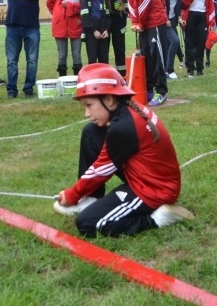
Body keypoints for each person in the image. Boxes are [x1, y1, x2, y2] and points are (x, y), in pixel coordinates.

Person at [53, 63, 193, 237]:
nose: (86, 113)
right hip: (145, 175)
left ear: (110, 100)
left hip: (154, 190)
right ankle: (91, 198)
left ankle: (157, 219)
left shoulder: (123, 128)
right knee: (91, 132)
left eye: (89, 105)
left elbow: (100, 171)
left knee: (87, 223)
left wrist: (71, 195)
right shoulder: (128, 112)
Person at [118, 0, 168, 105]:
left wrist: (139, 21)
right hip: (143, 22)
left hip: (154, 21)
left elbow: (145, 0)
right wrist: (134, 21)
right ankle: (147, 90)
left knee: (156, 56)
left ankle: (162, 92)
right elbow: (132, 0)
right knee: (145, 56)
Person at [2, 0, 44, 98]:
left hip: (31, 26)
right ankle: (11, 90)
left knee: (32, 60)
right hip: (13, 25)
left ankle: (28, 89)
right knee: (12, 60)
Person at [46, 0, 86, 77]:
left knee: (76, 54)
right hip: (60, 25)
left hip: (76, 23)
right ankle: (62, 78)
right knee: (62, 54)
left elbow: (84, 4)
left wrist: (70, 6)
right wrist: (57, 13)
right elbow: (49, 1)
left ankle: (77, 79)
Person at [180, 0, 215, 77]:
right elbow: (182, 5)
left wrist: (211, 23)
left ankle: (200, 69)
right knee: (189, 44)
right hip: (190, 17)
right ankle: (190, 69)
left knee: (200, 44)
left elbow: (210, 8)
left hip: (202, 18)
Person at [80, 0, 110, 65]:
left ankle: (104, 77)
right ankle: (93, 78)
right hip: (91, 32)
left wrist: (106, 30)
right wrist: (94, 31)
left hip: (103, 30)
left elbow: (108, 15)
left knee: (104, 57)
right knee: (92, 57)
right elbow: (85, 16)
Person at [164, 0, 186, 78]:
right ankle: (169, 69)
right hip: (163, 19)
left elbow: (179, 3)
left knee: (170, 43)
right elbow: (161, 3)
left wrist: (179, 17)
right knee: (175, 41)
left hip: (173, 18)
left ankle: (167, 69)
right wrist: (165, 18)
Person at [104, 0, 128, 76]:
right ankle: (104, 72)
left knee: (119, 50)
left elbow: (121, 12)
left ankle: (121, 73)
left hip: (119, 25)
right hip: (105, 25)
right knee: (104, 50)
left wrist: (110, 12)